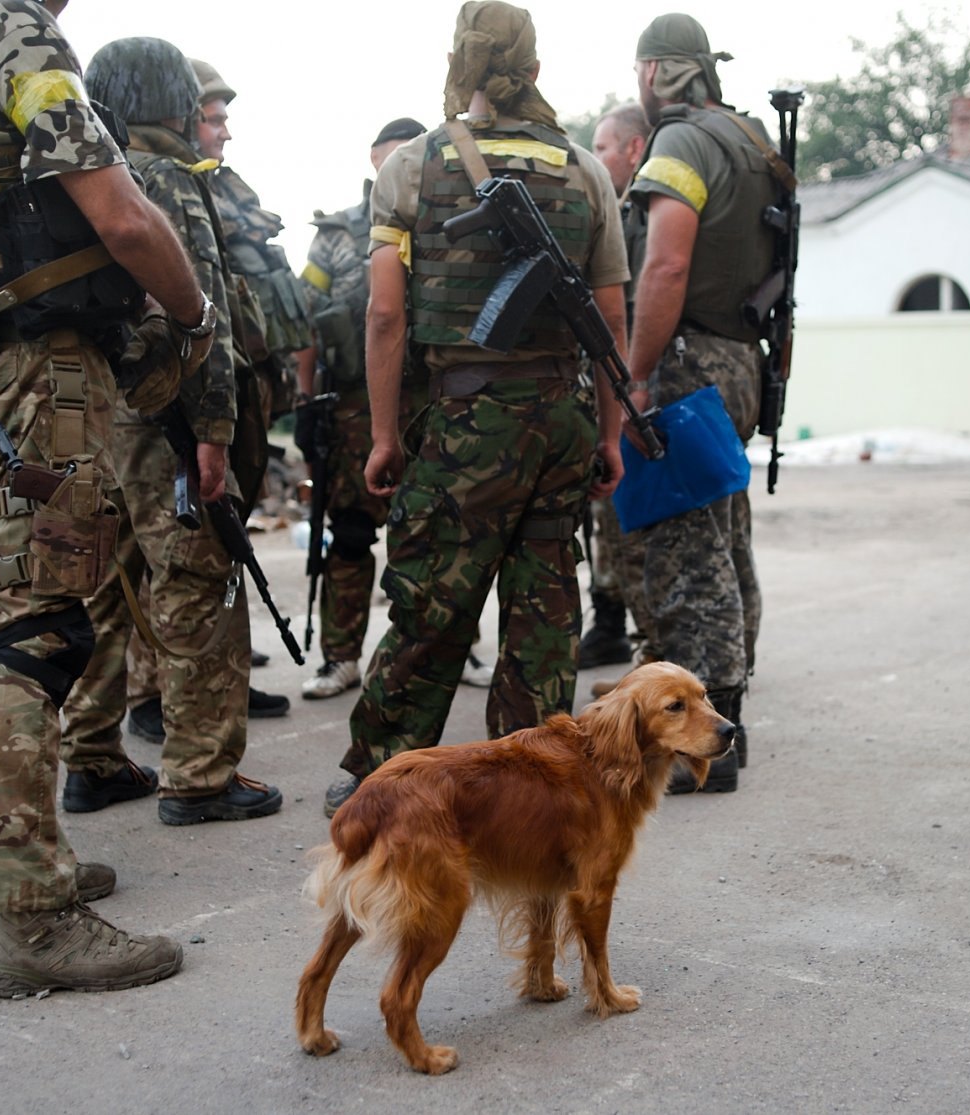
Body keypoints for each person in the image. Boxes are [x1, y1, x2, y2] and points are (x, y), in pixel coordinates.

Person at [0, 0, 216, 994]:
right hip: (38, 380)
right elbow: (118, 212)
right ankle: (32, 910)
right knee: (40, 624)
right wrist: (191, 314)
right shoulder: (15, 32)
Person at [324, 0, 630, 817]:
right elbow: (609, 319)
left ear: (457, 65)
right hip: (560, 420)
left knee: (430, 605)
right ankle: (533, 790)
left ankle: (383, 780)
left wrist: (385, 436)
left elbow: (385, 315)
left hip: (464, 425)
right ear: (535, 68)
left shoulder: (412, 166)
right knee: (544, 609)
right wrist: (609, 433)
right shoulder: (584, 168)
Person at [70, 36, 281, 826]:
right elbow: (204, 314)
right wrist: (216, 429)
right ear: (172, 101)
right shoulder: (160, 178)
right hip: (161, 417)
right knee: (196, 579)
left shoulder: (75, 174)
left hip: (86, 414)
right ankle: (198, 774)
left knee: (100, 581)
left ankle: (89, 756)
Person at [626, 14, 778, 793]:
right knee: (725, 535)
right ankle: (731, 712)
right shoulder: (751, 140)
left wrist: (637, 372)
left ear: (655, 72)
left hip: (689, 363)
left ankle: (707, 742)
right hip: (739, 359)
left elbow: (666, 264)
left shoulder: (681, 142)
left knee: (686, 553)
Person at [292, 116, 427, 701]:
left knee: (432, 537)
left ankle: (441, 651)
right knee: (348, 534)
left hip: (430, 404)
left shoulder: (450, 222)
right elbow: (306, 319)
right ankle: (340, 657)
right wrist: (303, 398)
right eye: (388, 159)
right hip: (351, 406)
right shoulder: (339, 234)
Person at [187, 57, 295, 721]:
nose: (225, 132)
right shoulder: (165, 183)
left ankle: (226, 673)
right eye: (213, 117)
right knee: (191, 548)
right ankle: (166, 693)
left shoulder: (226, 185)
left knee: (230, 543)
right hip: (201, 386)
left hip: (247, 378)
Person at [580, 101, 653, 673]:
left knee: (635, 517)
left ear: (632, 148)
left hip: (633, 381)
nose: (596, 157)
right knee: (608, 517)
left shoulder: (648, 211)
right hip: (614, 377)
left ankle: (645, 634)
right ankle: (608, 624)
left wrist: (634, 379)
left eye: (603, 147)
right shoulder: (621, 207)